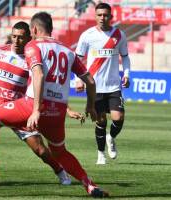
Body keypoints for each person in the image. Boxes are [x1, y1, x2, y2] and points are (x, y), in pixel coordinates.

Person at [0, 12, 109, 198]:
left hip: (32, 105)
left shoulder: (33, 46)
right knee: (60, 152)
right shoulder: (68, 51)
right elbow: (90, 80)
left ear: (33, 29)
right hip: (57, 111)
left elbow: (38, 75)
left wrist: (35, 110)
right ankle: (89, 185)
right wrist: (91, 106)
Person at [0, 21, 86, 186]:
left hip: (19, 109)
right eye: (14, 36)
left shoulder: (32, 58)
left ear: (29, 37)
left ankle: (59, 170)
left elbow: (46, 89)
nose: (16, 41)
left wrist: (67, 109)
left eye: (21, 38)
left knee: (40, 149)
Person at [75, 2, 130, 165]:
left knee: (118, 118)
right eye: (99, 15)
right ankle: (100, 154)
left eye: (105, 15)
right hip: (95, 87)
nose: (102, 18)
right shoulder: (87, 35)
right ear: (95, 16)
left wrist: (126, 74)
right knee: (100, 121)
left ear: (111, 16)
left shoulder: (119, 35)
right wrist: (77, 79)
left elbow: (125, 56)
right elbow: (77, 59)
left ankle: (111, 137)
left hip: (113, 86)